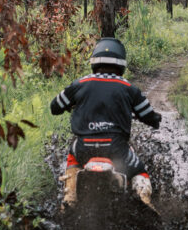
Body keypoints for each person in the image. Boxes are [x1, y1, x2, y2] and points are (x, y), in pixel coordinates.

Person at [50, 37, 162, 210]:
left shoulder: (80, 84)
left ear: (94, 61)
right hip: (116, 149)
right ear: (121, 63)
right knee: (139, 170)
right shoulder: (128, 88)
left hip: (83, 148)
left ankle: (69, 199)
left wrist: (70, 105)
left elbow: (55, 106)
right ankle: (144, 201)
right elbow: (149, 116)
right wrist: (155, 119)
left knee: (72, 160)